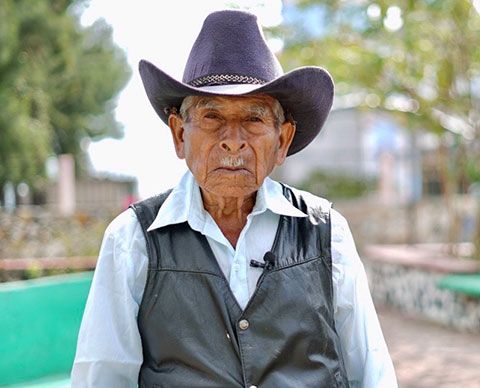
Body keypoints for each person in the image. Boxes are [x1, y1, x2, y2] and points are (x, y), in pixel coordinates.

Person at [71, 9, 397, 388]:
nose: (233, 139)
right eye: (212, 117)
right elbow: (103, 379)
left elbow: (372, 373)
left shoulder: (326, 232)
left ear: (283, 140)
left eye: (254, 119)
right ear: (179, 134)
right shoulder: (132, 240)